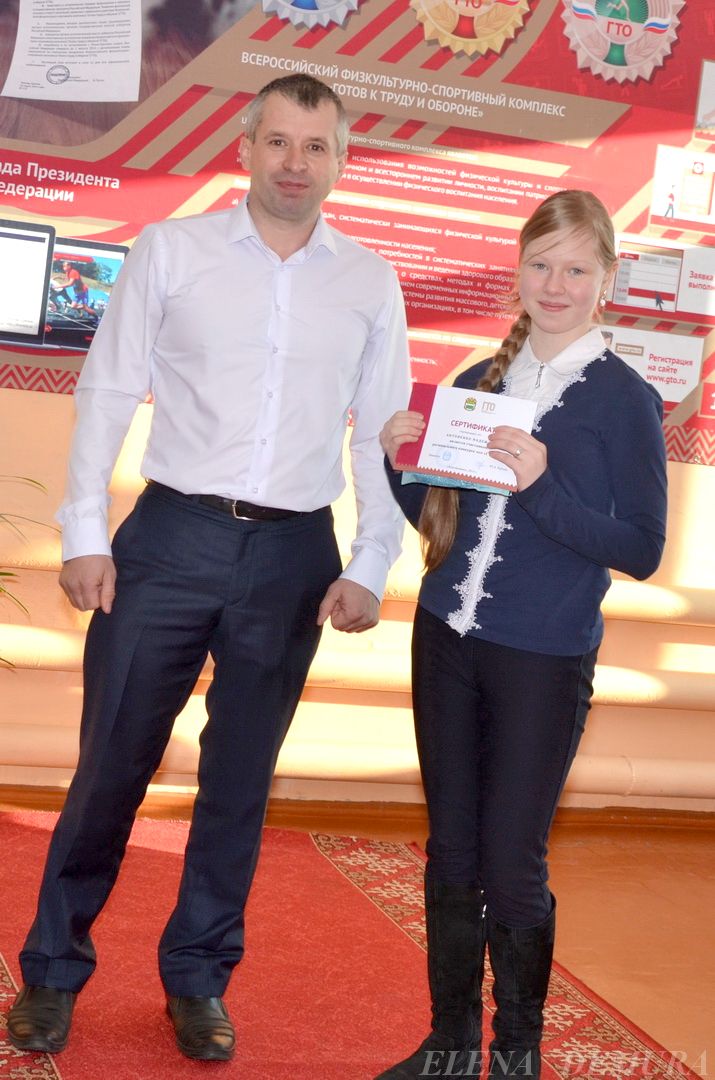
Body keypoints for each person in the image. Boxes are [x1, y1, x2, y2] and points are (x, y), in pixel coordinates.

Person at [7, 73, 410, 1062]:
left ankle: (197, 979)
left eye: (314, 146)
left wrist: (371, 559)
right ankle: (52, 971)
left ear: (341, 159)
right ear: (245, 146)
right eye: (277, 141)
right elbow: (107, 389)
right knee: (111, 765)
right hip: (169, 540)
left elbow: (380, 435)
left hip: (293, 555)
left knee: (240, 783)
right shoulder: (172, 249)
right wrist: (84, 534)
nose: (293, 164)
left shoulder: (369, 282)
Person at [375, 190, 667, 1079]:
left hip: (542, 656)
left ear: (605, 279)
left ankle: (514, 1056)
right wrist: (399, 465)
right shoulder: (478, 380)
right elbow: (441, 522)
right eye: (540, 264)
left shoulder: (623, 400)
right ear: (517, 268)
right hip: (444, 639)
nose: (555, 284)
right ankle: (448, 1045)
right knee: (451, 851)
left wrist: (539, 488)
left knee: (509, 863)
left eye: (575, 268)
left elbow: (641, 549)